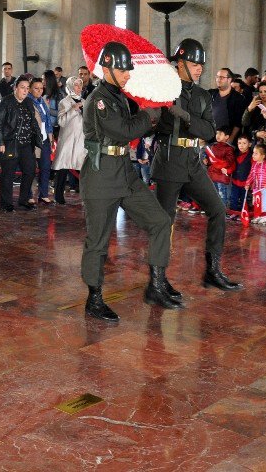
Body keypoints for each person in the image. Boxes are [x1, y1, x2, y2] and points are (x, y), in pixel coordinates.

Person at [80, 41, 177, 322]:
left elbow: (135, 126)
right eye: (122, 70)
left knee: (160, 221)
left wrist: (152, 106)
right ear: (106, 68)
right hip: (101, 175)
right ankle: (94, 298)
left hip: (124, 170)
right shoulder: (98, 99)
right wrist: (150, 112)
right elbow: (124, 130)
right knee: (98, 241)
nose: (127, 74)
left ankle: (156, 285)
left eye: (127, 70)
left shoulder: (120, 96)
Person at [151, 38, 241, 293]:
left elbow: (210, 131)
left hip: (193, 161)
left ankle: (212, 270)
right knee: (163, 222)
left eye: (201, 64)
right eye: (193, 63)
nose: (200, 68)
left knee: (217, 209)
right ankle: (157, 280)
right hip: (169, 160)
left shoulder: (202, 95)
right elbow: (154, 122)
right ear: (179, 64)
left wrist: (187, 117)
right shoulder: (164, 90)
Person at [0, 77, 41, 212]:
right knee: (8, 174)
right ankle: (6, 203)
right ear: (15, 88)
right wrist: (0, 142)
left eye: (27, 88)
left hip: (26, 143)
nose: (25, 91)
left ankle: (24, 199)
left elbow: (33, 122)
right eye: (22, 87)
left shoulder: (28, 102)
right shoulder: (6, 101)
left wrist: (38, 138)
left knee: (30, 171)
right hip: (10, 143)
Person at [52, 76, 86, 205]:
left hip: (81, 139)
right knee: (63, 167)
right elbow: (61, 121)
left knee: (82, 167)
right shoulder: (64, 102)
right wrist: (73, 109)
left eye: (80, 85)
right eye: (76, 85)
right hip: (67, 139)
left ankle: (85, 196)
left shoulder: (85, 101)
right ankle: (58, 195)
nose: (79, 87)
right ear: (71, 86)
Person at [29, 77, 56, 204]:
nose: (39, 91)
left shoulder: (43, 101)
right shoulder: (28, 102)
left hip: (45, 139)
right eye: (36, 88)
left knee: (45, 167)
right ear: (30, 89)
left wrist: (50, 136)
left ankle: (43, 194)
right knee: (30, 169)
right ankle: (28, 195)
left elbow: (48, 120)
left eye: (41, 88)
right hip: (33, 140)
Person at [210, 67, 245, 144]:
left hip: (227, 139)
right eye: (217, 77)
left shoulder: (238, 98)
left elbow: (238, 122)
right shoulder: (211, 94)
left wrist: (230, 139)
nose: (218, 79)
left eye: (222, 77)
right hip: (210, 137)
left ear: (229, 80)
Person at [205, 126, 235, 204]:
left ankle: (222, 212)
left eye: (221, 133)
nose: (218, 135)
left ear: (227, 137)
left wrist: (219, 163)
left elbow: (229, 161)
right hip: (212, 175)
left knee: (222, 196)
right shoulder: (213, 146)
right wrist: (207, 161)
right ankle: (214, 211)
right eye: (217, 133)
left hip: (221, 176)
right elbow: (210, 160)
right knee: (212, 195)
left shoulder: (229, 149)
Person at [247, 143, 266, 224]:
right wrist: (247, 184)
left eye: (256, 153)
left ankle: (264, 217)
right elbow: (251, 175)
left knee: (264, 202)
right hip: (256, 188)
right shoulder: (254, 164)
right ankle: (257, 216)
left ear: (263, 156)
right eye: (253, 153)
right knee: (256, 203)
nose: (253, 155)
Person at [229, 135, 253, 217]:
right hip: (235, 181)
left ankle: (243, 214)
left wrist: (251, 182)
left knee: (244, 199)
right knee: (233, 198)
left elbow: (253, 170)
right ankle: (233, 213)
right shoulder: (235, 154)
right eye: (239, 143)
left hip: (245, 183)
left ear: (249, 144)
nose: (241, 145)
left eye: (244, 143)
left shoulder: (252, 156)